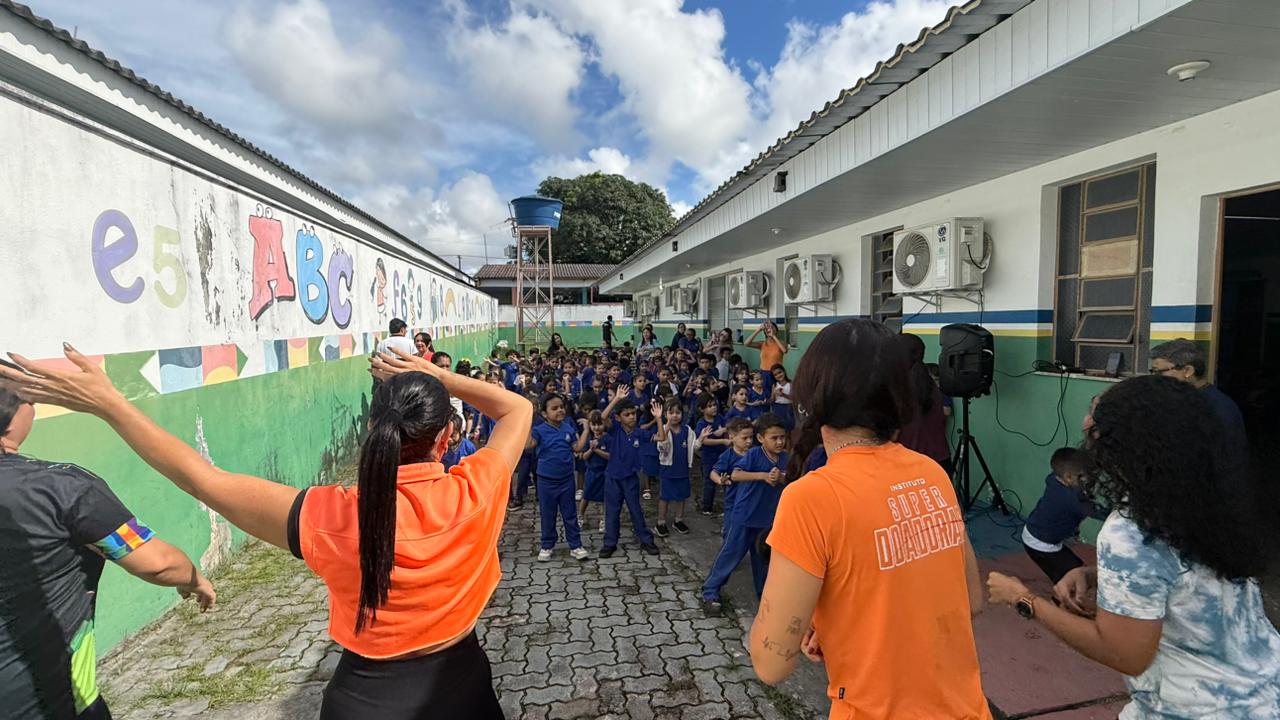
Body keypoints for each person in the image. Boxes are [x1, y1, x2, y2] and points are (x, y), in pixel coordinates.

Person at [1, 345, 532, 719]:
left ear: (372, 430)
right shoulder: (478, 489)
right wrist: (435, 375)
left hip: (368, 697)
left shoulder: (331, 515)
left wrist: (109, 404)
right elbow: (517, 407)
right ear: (448, 438)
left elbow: (203, 479)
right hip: (463, 683)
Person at [988, 375, 1280, 719]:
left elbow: (1124, 653)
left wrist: (1024, 599)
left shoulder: (1130, 532)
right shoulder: (1206, 500)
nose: (1086, 423)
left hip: (1191, 709)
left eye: (1098, 416)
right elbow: (1184, 575)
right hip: (1265, 692)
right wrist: (1099, 574)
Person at [748, 319, 991, 720]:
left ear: (811, 396)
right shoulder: (931, 474)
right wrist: (841, 625)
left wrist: (781, 626)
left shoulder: (811, 497)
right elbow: (970, 601)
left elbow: (771, 663)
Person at [0, 379, 215, 720]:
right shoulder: (62, 488)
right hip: (53, 704)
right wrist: (194, 577)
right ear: (14, 419)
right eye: (30, 398)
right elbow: (157, 563)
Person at [701, 413, 788, 616]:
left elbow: (792, 480)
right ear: (761, 438)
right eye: (774, 438)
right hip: (744, 515)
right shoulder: (754, 455)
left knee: (763, 561)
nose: (779, 442)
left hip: (767, 519)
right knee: (731, 554)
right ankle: (710, 591)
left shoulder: (785, 458)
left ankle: (765, 597)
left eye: (782, 437)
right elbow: (736, 474)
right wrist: (763, 476)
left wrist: (781, 477)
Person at [1148, 339, 1248, 461]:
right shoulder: (1179, 398)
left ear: (1188, 371)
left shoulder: (1218, 409)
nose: (1154, 379)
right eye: (1152, 372)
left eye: (1159, 372)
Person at [1020, 447, 1106, 586]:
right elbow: (1101, 514)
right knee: (1078, 579)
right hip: (1041, 546)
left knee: (1074, 573)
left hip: (1034, 533)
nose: (1088, 479)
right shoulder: (1072, 500)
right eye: (1082, 476)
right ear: (1068, 477)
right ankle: (1056, 603)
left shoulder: (1054, 478)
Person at [527, 394, 591, 562]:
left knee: (569, 514)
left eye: (561, 406)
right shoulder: (539, 430)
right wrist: (525, 422)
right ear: (544, 414)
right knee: (548, 514)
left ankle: (575, 545)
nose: (560, 410)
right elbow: (528, 446)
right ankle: (547, 545)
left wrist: (585, 430)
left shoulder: (568, 428)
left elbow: (577, 448)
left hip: (566, 480)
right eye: (554, 408)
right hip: (545, 481)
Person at [599, 386, 659, 558]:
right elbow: (603, 417)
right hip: (613, 478)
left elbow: (660, 437)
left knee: (635, 510)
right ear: (618, 418)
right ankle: (610, 543)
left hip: (631, 478)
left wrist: (660, 419)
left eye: (633, 413)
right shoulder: (615, 429)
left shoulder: (639, 432)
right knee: (612, 511)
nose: (632, 416)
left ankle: (646, 540)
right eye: (627, 414)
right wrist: (616, 399)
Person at [895, 333, 953, 475]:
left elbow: (890, 434)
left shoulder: (897, 388)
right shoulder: (934, 386)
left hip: (908, 465)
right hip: (939, 462)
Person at [653, 399, 694, 537]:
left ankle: (678, 520)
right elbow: (661, 446)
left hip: (682, 469)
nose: (675, 415)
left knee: (681, 496)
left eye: (678, 412)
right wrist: (665, 429)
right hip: (668, 469)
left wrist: (702, 439)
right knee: (665, 497)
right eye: (671, 413)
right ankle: (661, 522)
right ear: (665, 414)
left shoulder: (688, 430)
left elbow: (694, 447)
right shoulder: (663, 430)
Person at [693, 394, 728, 516]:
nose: (713, 408)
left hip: (722, 455)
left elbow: (728, 425)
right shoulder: (701, 424)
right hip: (708, 456)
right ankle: (707, 507)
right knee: (709, 483)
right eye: (710, 406)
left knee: (725, 479)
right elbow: (705, 441)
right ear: (702, 409)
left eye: (714, 405)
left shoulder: (719, 418)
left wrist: (723, 430)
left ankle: (727, 506)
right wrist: (722, 441)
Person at [577, 411, 609, 534]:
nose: (596, 428)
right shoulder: (588, 439)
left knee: (603, 498)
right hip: (591, 471)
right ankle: (580, 516)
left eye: (599, 424)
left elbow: (609, 456)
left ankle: (603, 519)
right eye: (593, 425)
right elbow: (583, 457)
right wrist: (591, 449)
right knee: (587, 495)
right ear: (589, 425)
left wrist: (597, 450)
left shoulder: (607, 438)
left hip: (604, 472)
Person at [768, 365, 794, 431]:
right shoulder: (774, 385)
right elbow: (772, 400)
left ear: (784, 371)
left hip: (788, 408)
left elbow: (794, 398)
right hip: (777, 408)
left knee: (788, 429)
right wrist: (772, 395)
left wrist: (782, 394)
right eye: (775, 375)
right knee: (778, 428)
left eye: (780, 372)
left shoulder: (790, 383)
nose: (778, 375)